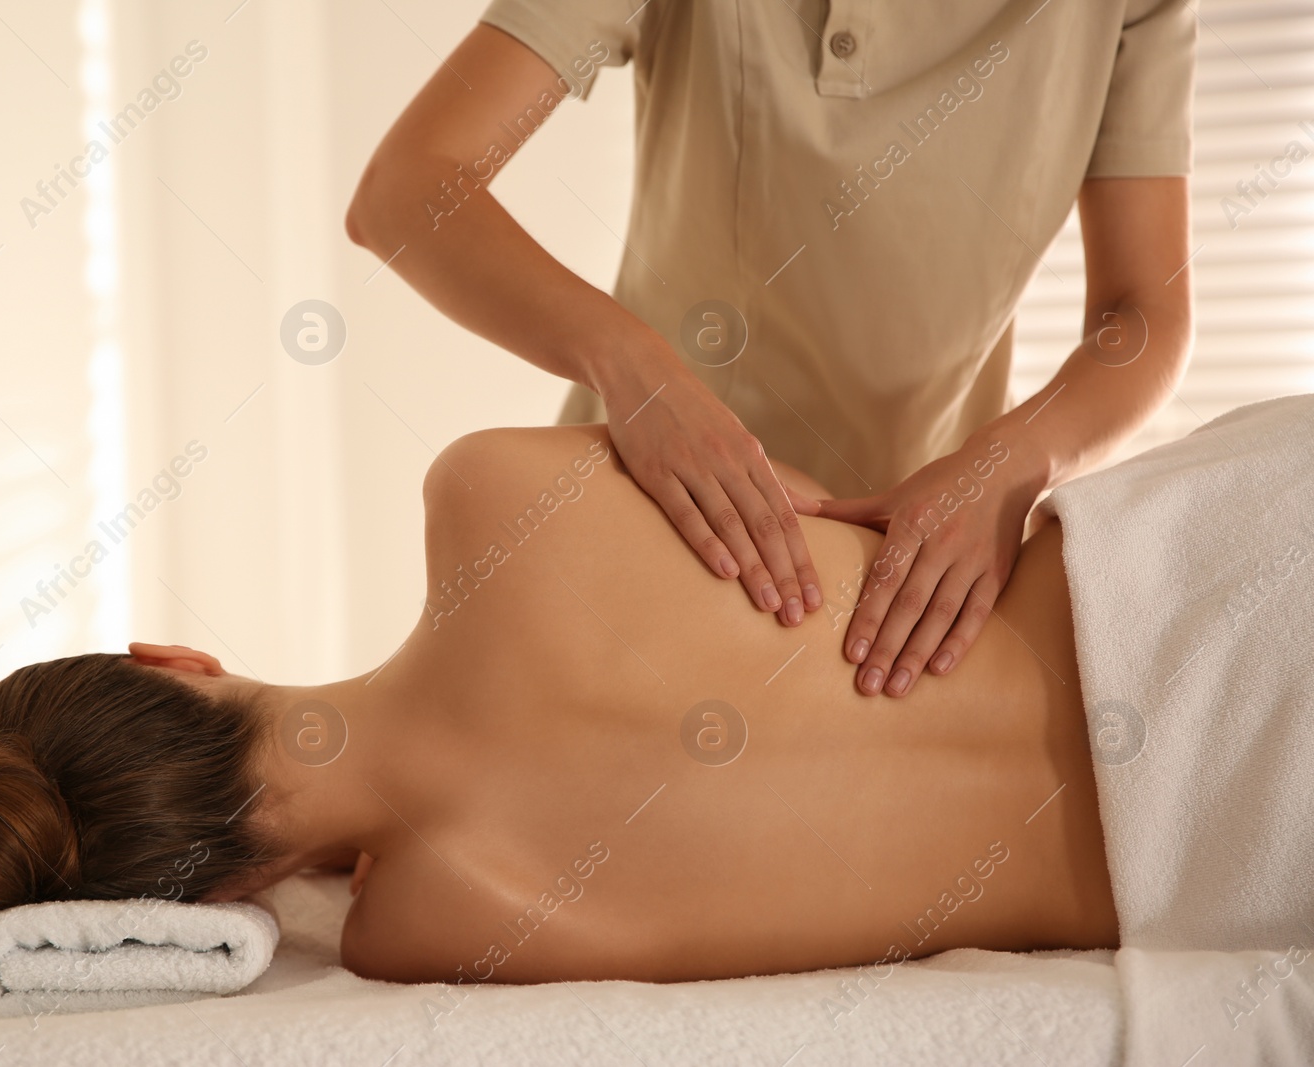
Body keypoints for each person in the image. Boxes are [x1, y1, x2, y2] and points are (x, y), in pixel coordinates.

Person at [0, 422, 1116, 982]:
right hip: (1178, 571)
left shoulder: (426, 926)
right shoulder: (487, 492)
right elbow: (803, 500)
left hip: (1200, 847)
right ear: (171, 661)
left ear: (203, 900)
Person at [344, 1, 1196, 700]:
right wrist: (639, 375)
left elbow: (1143, 312)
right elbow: (407, 189)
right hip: (635, 522)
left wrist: (1012, 464)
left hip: (904, 587)